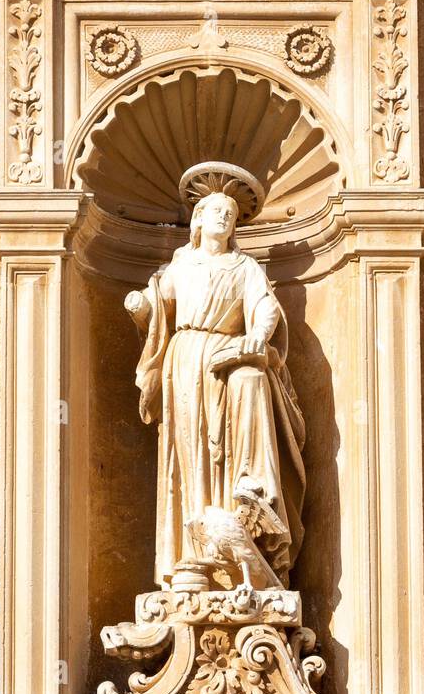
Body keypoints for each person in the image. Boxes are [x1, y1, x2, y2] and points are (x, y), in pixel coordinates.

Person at [125, 188, 305, 588]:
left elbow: (265, 306)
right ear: (199, 219)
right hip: (186, 358)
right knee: (190, 452)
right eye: (216, 210)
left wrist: (258, 335)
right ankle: (194, 549)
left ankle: (247, 511)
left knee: (248, 391)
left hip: (230, 352)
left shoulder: (245, 267)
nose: (224, 217)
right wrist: (141, 307)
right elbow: (160, 307)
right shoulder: (182, 263)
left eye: (231, 213)